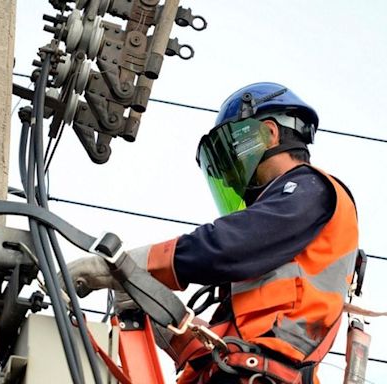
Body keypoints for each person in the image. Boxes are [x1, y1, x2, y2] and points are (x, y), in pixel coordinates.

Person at [65, 82, 359, 383]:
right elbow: (223, 345)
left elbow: (227, 245)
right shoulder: (266, 273)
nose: (231, 179)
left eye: (233, 157)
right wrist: (153, 305)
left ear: (269, 133)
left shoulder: (311, 189)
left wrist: (129, 265)